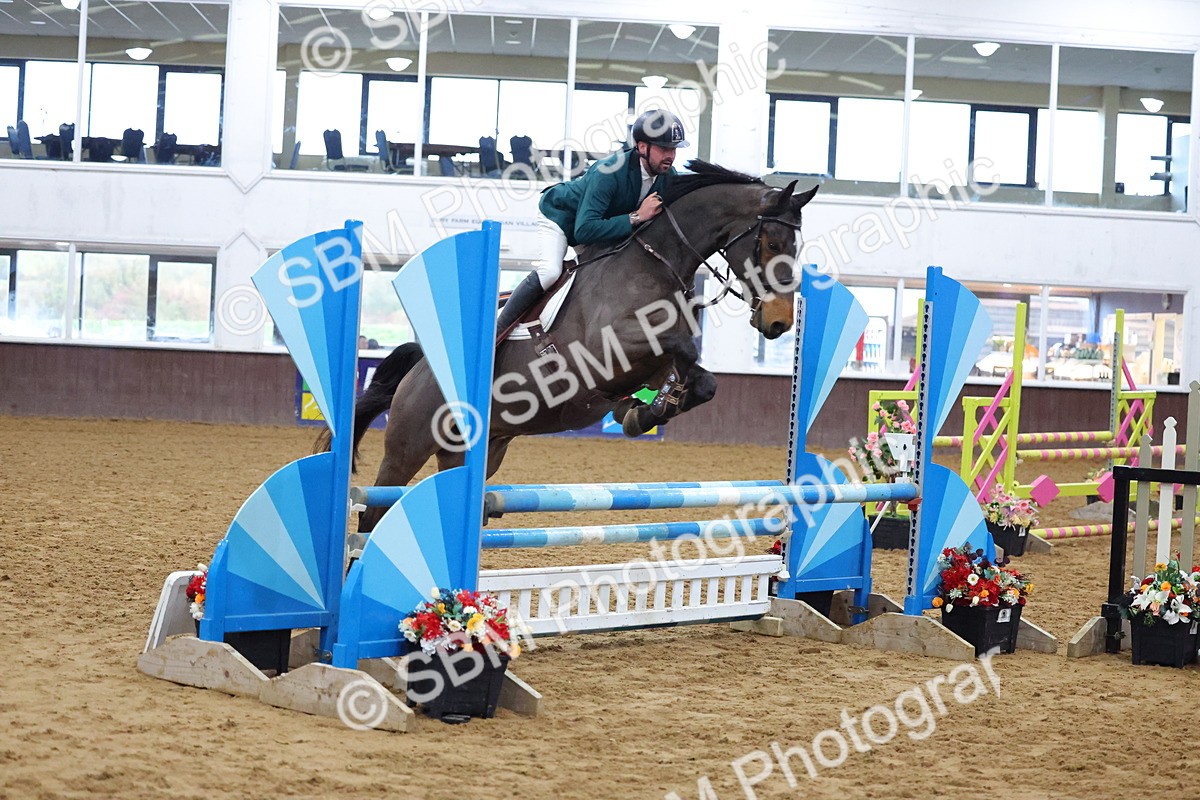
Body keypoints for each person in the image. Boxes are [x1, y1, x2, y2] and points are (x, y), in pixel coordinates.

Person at [495, 109, 689, 332]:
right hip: (561, 217)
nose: (671, 156)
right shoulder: (608, 171)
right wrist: (637, 216)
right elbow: (584, 230)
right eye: (664, 148)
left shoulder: (668, 177)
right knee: (550, 272)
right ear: (643, 147)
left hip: (599, 226)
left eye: (674, 149)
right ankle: (497, 331)